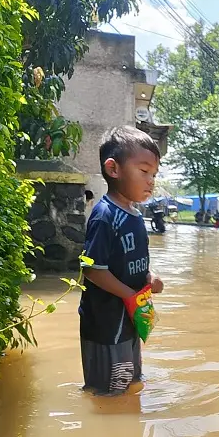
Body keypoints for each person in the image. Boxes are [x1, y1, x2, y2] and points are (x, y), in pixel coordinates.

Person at [79, 126, 164, 396]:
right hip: (106, 323)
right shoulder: (105, 215)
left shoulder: (135, 216)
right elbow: (92, 269)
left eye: (154, 174)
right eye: (144, 171)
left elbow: (132, 258)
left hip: (131, 316)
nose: (151, 180)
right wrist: (130, 295)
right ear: (113, 169)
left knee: (132, 379)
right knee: (110, 392)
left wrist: (149, 278)